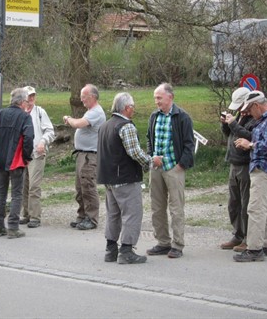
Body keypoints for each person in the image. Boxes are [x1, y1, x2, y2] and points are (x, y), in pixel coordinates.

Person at [97, 92, 152, 264]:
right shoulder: (125, 126)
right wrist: (150, 161)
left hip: (108, 178)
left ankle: (110, 249)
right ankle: (127, 250)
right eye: (132, 107)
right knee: (132, 214)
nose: (133, 110)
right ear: (127, 108)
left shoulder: (105, 125)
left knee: (113, 214)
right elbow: (134, 152)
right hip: (125, 177)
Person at [233, 90, 267, 262]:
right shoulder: (266, 120)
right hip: (265, 168)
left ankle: (254, 249)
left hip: (265, 169)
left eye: (249, 109)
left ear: (257, 105)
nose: (248, 113)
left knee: (255, 209)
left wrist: (249, 145)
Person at [146, 83, 194, 259]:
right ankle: (163, 242)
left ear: (170, 97)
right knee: (157, 207)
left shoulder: (182, 117)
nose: (156, 101)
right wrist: (151, 156)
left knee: (176, 208)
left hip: (174, 167)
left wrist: (181, 165)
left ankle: (177, 245)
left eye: (159, 97)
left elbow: (189, 144)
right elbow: (149, 138)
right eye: (155, 98)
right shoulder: (154, 116)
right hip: (156, 167)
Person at [0, 87, 34, 239]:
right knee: (17, 194)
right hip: (16, 161)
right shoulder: (25, 117)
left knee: (0, 194)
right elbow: (29, 138)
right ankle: (13, 227)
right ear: (23, 102)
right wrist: (26, 157)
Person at [63, 84, 106, 230]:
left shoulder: (96, 112)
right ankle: (82, 215)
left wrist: (68, 119)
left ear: (92, 97)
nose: (82, 100)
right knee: (80, 187)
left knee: (88, 186)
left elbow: (79, 124)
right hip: (82, 154)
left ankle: (91, 219)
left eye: (84, 97)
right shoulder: (90, 111)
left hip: (90, 156)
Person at [220, 87, 256, 252]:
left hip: (245, 164)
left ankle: (248, 237)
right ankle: (237, 234)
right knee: (233, 203)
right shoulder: (240, 116)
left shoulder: (255, 118)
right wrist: (226, 125)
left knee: (245, 203)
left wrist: (233, 124)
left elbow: (249, 136)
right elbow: (231, 135)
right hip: (233, 163)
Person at [19, 86, 55, 228]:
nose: (31, 98)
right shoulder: (20, 112)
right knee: (23, 186)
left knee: (34, 186)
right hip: (22, 155)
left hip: (37, 154)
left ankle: (35, 216)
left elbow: (50, 131)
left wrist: (43, 141)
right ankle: (25, 213)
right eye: (28, 96)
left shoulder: (40, 112)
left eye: (33, 95)